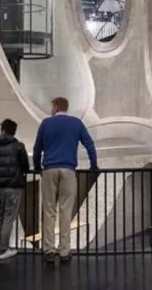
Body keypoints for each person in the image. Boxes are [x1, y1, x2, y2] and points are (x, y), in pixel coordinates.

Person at [33, 96, 98, 264]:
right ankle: (64, 250)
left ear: (56, 107)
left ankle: (48, 250)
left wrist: (37, 167)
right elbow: (90, 145)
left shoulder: (46, 123)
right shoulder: (76, 123)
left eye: (51, 106)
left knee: (49, 210)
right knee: (65, 211)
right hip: (68, 170)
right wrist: (93, 166)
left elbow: (37, 148)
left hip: (49, 169)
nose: (50, 109)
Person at [0, 118, 29, 261]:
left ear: (3, 129)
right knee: (8, 218)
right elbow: (25, 166)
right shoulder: (18, 146)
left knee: (0, 217)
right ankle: (3, 250)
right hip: (13, 186)